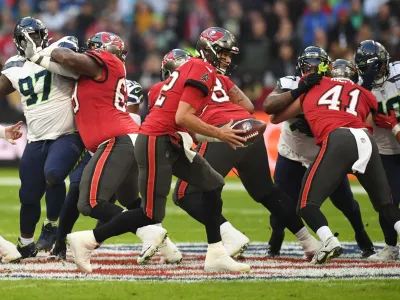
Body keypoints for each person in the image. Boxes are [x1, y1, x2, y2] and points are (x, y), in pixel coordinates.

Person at [61, 27, 251, 273]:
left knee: (213, 184)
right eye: (224, 53)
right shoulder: (201, 68)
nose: (227, 59)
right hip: (157, 140)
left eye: (229, 54)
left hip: (170, 139)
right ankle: (87, 239)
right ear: (209, 49)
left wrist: (219, 137)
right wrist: (221, 133)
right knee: (150, 214)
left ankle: (216, 253)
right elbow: (183, 116)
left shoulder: (196, 68)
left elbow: (183, 118)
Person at [23, 31, 182, 268]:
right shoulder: (92, 75)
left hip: (118, 140)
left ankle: (142, 235)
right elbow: (65, 68)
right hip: (121, 141)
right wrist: (37, 59)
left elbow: (67, 59)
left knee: (91, 203)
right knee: (130, 200)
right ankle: (166, 245)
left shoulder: (108, 62)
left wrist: (41, 50)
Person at [154, 48, 320, 259]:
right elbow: (248, 106)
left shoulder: (177, 84)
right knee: (266, 191)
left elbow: (180, 119)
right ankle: (309, 242)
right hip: (248, 127)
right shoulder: (218, 77)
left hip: (225, 132)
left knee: (184, 194)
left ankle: (231, 236)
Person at [270, 59, 400, 264]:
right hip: (365, 140)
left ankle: (329, 240)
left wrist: (306, 104)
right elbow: (365, 121)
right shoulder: (363, 92)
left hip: (338, 141)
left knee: (306, 205)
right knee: (386, 204)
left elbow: (275, 118)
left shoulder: (314, 87)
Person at [1, 17, 85, 258]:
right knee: (27, 194)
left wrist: (39, 54)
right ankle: (25, 242)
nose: (32, 40)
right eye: (26, 37)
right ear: (17, 41)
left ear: (44, 35)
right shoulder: (14, 64)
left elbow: (74, 66)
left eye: (36, 35)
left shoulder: (59, 48)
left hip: (67, 133)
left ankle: (51, 226)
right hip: (36, 138)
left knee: (54, 173)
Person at [355, 40, 400, 261]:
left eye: (379, 65)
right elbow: (354, 115)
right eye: (370, 68)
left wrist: (395, 124)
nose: (377, 71)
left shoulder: (398, 73)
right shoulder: (361, 85)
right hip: (385, 151)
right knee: (388, 201)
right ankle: (391, 247)